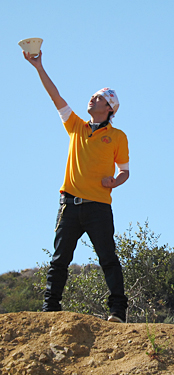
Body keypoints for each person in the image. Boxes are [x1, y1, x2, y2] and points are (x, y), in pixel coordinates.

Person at [23, 50, 129, 323]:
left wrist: (114, 182)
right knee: (59, 260)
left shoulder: (117, 137)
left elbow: (125, 172)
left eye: (100, 98)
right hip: (69, 204)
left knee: (108, 259)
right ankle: (50, 310)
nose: (93, 98)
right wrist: (39, 67)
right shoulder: (76, 126)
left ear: (109, 108)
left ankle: (117, 312)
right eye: (94, 95)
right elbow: (55, 96)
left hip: (98, 208)